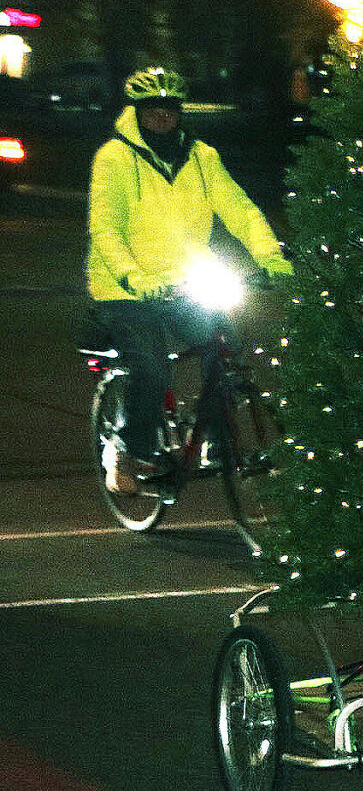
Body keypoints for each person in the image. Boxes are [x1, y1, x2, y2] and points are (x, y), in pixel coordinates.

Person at [85, 66, 292, 493]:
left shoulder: (203, 158)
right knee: (152, 366)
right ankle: (128, 451)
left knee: (224, 347)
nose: (161, 118)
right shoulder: (114, 158)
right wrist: (131, 275)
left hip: (184, 283)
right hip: (126, 289)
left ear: (180, 114)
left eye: (169, 110)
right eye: (152, 111)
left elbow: (240, 209)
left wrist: (271, 256)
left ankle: (218, 441)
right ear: (137, 113)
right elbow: (105, 227)